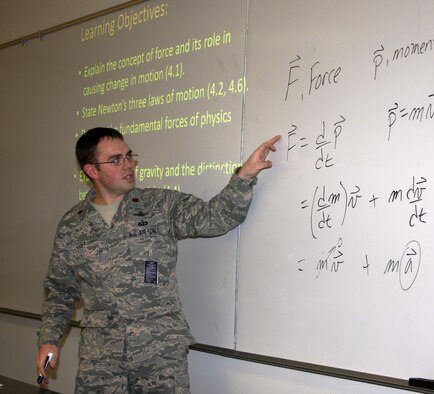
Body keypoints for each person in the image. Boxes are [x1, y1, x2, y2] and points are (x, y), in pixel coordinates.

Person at [36, 127, 280, 393]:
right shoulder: (73, 224)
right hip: (101, 361)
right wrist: (49, 340)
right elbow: (60, 290)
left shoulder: (160, 205)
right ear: (92, 171)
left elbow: (215, 218)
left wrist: (244, 175)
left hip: (160, 356)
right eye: (116, 160)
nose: (128, 165)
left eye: (129, 156)